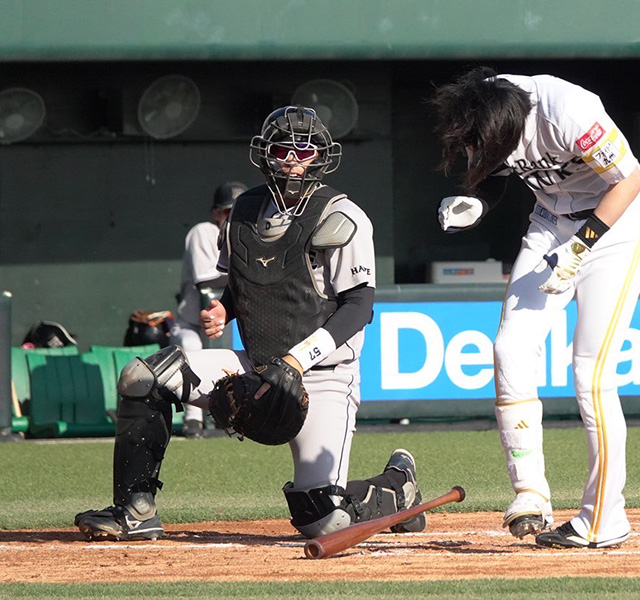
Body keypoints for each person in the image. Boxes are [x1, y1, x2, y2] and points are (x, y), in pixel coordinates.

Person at [74, 106, 425, 542]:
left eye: (305, 151)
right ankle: (135, 509)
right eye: (284, 150)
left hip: (323, 376)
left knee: (322, 519)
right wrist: (225, 309)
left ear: (321, 157)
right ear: (265, 154)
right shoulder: (243, 210)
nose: (294, 160)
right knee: (143, 377)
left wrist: (296, 361)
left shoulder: (344, 215)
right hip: (255, 364)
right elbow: (243, 283)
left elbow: (358, 307)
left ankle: (396, 488)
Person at [431, 67, 640, 549]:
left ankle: (604, 519)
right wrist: (477, 203)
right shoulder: (485, 108)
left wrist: (580, 247)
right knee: (509, 349)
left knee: (591, 374)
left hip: (618, 225)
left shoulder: (566, 108)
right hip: (551, 223)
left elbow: (628, 182)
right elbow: (496, 171)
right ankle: (530, 493)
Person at [171, 181, 247, 438]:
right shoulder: (204, 232)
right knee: (191, 347)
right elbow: (207, 281)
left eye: (240, 210)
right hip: (192, 325)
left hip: (229, 327)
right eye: (228, 211)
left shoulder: (252, 235)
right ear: (216, 213)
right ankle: (193, 421)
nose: (233, 216)